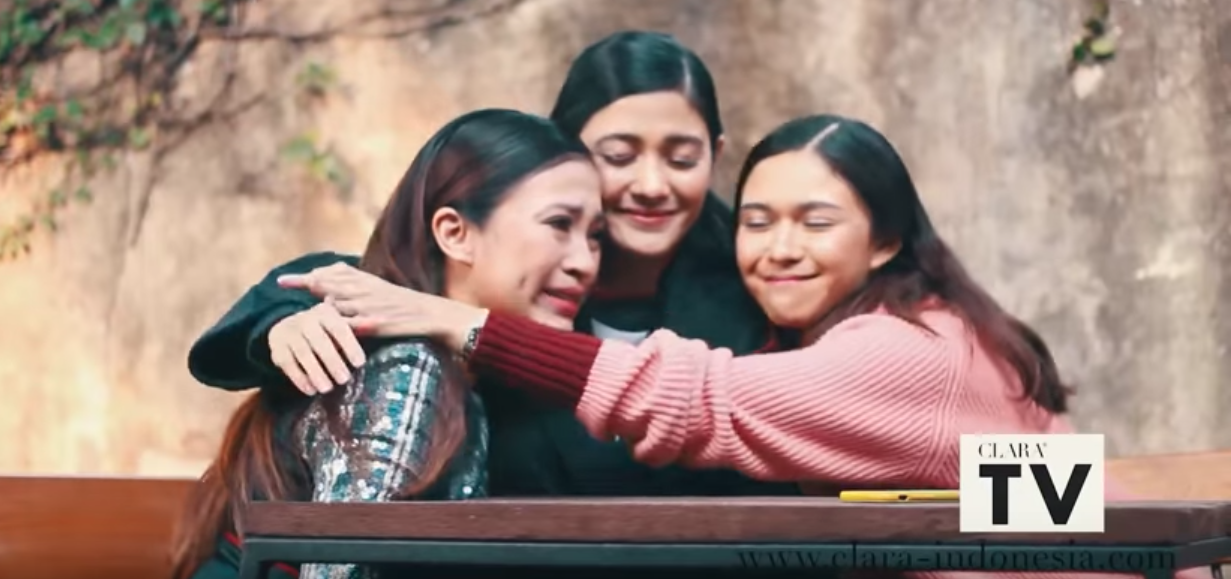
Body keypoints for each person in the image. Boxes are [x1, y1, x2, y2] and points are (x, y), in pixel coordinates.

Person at [279, 114, 1199, 579]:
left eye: (815, 220)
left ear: (883, 239)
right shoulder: (942, 328)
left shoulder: (908, 349)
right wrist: (271, 317)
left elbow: (704, 398)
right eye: (756, 220)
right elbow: (1052, 483)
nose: (779, 247)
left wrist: (463, 322)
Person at [185, 30, 794, 498]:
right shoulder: (519, 278)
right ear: (564, 153)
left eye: (682, 159)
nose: (652, 185)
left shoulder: (750, 293)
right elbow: (379, 275)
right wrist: (284, 319)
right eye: (618, 156)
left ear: (715, 156)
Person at [170, 109, 605, 579]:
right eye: (559, 224)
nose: (585, 262)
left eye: (596, 236)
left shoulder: (470, 374)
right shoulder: (407, 368)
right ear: (455, 234)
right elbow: (342, 570)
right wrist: (276, 324)